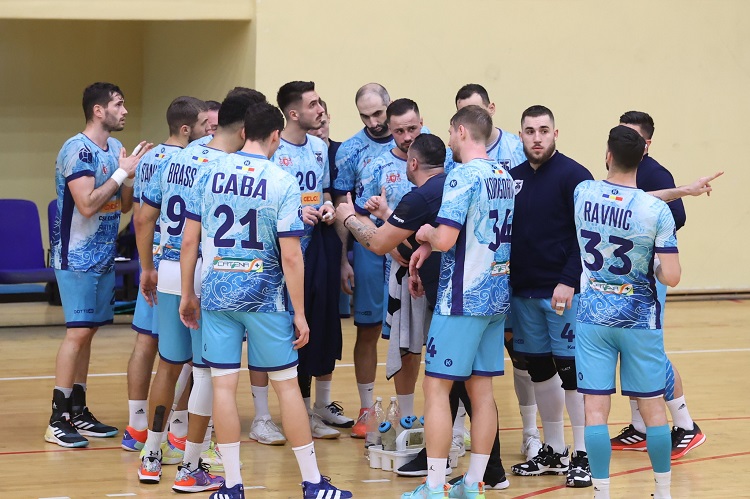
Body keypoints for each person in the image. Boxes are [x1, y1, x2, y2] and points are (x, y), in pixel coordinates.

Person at [178, 100, 351, 499]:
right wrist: (301, 313)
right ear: (276, 136)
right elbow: (291, 256)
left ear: (242, 132)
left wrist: (188, 293)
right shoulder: (282, 180)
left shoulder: (208, 172)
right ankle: (312, 482)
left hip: (217, 294)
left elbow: (189, 241)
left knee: (222, 388)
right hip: (265, 300)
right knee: (286, 387)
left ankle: (232, 485)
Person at [136, 90, 262, 491]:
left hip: (168, 268)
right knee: (207, 371)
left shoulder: (179, 155)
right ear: (245, 129)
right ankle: (191, 467)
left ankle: (151, 456)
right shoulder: (229, 168)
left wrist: (147, 267)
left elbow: (143, 218)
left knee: (168, 364)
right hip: (206, 274)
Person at [402, 105, 514, 498]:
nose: (449, 139)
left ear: (462, 131)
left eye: (451, 131)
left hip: (463, 299)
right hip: (496, 295)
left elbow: (446, 238)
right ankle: (473, 483)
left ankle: (434, 486)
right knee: (482, 393)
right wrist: (433, 244)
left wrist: (425, 234)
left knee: (436, 389)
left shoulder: (462, 175)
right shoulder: (503, 175)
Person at [574, 125, 682, 499]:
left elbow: (619, 201)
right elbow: (672, 276)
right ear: (642, 158)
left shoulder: (583, 193)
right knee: (653, 410)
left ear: (608, 156)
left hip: (592, 317)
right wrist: (654, 264)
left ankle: (601, 493)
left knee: (594, 412)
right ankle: (663, 492)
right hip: (639, 319)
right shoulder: (656, 212)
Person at [47, 82, 150, 448]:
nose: (125, 111)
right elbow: (88, 204)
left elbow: (122, 206)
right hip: (76, 257)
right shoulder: (77, 150)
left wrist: (130, 175)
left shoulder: (112, 148)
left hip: (103, 257)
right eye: (118, 104)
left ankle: (78, 410)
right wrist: (120, 174)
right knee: (77, 333)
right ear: (98, 110)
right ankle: (57, 418)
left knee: (88, 332)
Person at [449, 83, 541, 462]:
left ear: (491, 109)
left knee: (521, 357)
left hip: (510, 271)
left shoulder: (518, 150)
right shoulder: (457, 156)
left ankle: (531, 433)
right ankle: (456, 435)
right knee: (463, 366)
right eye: (463, 112)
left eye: (476, 109)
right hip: (473, 275)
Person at [252, 80, 348, 441]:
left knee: (316, 330)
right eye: (313, 104)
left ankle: (310, 410)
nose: (320, 110)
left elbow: (323, 191)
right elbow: (261, 203)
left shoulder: (320, 148)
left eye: (320, 102)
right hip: (275, 257)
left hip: (313, 251)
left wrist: (327, 207)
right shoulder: (273, 151)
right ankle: (262, 416)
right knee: (271, 333)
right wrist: (294, 214)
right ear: (293, 113)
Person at [611, 111, 707, 460]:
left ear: (646, 143)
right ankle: (639, 427)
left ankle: (686, 425)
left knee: (648, 352)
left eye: (632, 135)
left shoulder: (655, 173)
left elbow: (677, 216)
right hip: (621, 280)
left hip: (647, 277)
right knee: (628, 353)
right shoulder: (621, 171)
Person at [509, 105, 593, 488]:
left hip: (562, 293)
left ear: (555, 133)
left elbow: (585, 237)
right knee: (540, 370)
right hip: (524, 293)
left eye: (544, 130)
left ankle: (583, 454)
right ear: (521, 136)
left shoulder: (575, 176)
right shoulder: (513, 179)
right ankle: (555, 450)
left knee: (572, 374)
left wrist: (569, 280)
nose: (537, 137)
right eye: (530, 131)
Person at [123, 96, 210, 454]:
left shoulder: (149, 158)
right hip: (180, 261)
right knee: (187, 357)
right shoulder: (197, 160)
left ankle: (136, 426)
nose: (210, 131)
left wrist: (146, 265)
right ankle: (179, 428)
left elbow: (139, 214)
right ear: (187, 128)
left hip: (154, 257)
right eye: (205, 125)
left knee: (146, 343)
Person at [352, 97, 425, 420]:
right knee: (403, 344)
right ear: (390, 131)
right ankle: (402, 417)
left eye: (412, 129)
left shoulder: (441, 159)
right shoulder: (377, 166)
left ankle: (456, 422)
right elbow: (360, 214)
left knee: (440, 344)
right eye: (399, 131)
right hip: (397, 268)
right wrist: (388, 243)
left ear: (421, 124)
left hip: (436, 265)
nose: (407, 137)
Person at [333, 83, 394, 437]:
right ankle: (366, 409)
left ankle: (409, 411)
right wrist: (345, 260)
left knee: (411, 334)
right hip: (368, 248)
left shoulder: (416, 139)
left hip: (407, 244)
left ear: (389, 105)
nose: (373, 122)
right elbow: (342, 207)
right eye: (365, 116)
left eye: (378, 113)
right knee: (367, 329)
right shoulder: (350, 150)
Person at [309, 99, 351, 320]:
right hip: (314, 231)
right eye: (314, 127)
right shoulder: (302, 154)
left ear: (329, 118)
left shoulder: (343, 152)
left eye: (323, 124)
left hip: (344, 230)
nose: (319, 131)